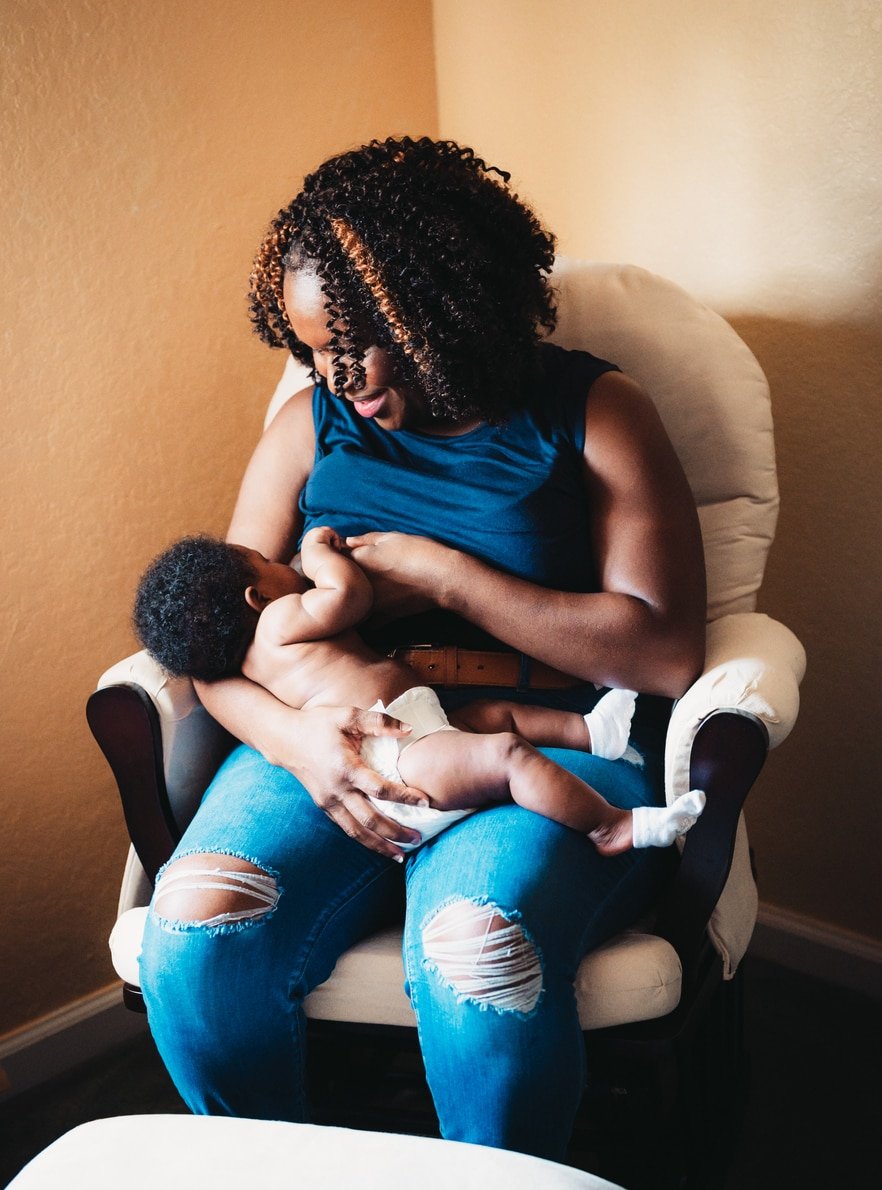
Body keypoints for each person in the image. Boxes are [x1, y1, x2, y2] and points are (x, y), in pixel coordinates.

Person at [138, 136, 707, 1160]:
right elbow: (214, 642)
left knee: (476, 952)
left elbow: (662, 652)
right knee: (194, 926)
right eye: (312, 347)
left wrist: (447, 574)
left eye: (356, 340)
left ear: (447, 303)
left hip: (542, 740)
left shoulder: (592, 412)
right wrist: (304, 743)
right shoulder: (309, 428)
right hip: (326, 733)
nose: (333, 374)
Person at [133, 526, 705, 855]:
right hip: (400, 761)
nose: (277, 561)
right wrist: (318, 551)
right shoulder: (281, 620)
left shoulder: (251, 664)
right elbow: (347, 598)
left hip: (406, 735)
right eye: (264, 562)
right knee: (506, 754)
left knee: (490, 714)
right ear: (256, 598)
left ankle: (590, 731)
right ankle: (608, 826)